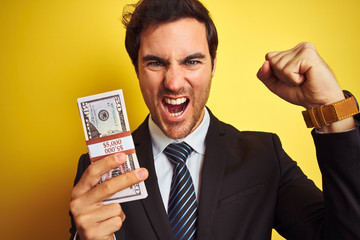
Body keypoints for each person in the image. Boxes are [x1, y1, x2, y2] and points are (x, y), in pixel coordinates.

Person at [69, 0, 360, 239]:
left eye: (191, 61)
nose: (173, 82)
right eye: (155, 63)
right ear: (137, 69)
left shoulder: (264, 155)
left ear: (213, 66)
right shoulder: (98, 169)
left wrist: (334, 108)